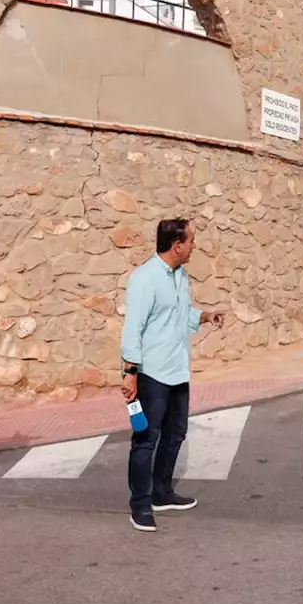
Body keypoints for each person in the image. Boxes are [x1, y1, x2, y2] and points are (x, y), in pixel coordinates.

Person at [120, 218, 224, 532]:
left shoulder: (181, 277)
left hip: (178, 370)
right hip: (152, 373)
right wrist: (129, 373)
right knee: (145, 440)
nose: (194, 245)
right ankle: (140, 506)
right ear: (176, 245)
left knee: (176, 433)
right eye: (191, 240)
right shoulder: (145, 278)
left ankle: (162, 492)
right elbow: (132, 329)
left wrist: (204, 316)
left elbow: (180, 315)